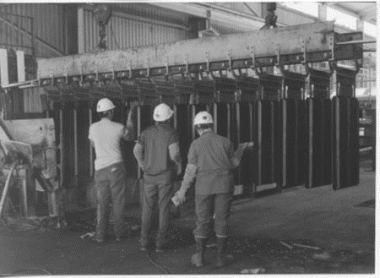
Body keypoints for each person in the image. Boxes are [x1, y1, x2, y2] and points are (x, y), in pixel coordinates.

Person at [174, 111, 253, 267]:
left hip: (204, 187)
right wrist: (241, 149)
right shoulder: (225, 142)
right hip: (224, 186)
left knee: (202, 221)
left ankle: (200, 258)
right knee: (222, 220)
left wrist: (182, 190)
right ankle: (221, 258)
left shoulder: (195, 145)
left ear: (197, 128)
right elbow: (234, 164)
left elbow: (191, 171)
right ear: (211, 125)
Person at [133, 103, 182, 252]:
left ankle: (144, 241)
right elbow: (174, 154)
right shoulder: (171, 133)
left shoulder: (146, 132)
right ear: (168, 118)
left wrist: (143, 165)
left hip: (149, 176)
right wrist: (179, 165)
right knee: (164, 208)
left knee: (147, 208)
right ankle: (161, 243)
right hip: (164, 176)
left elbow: (136, 151)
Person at [88, 98, 136, 243]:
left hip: (100, 169)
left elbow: (93, 145)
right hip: (115, 167)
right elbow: (130, 137)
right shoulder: (118, 127)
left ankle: (100, 235)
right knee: (118, 201)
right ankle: (119, 234)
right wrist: (129, 118)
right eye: (112, 110)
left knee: (102, 203)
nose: (113, 112)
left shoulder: (93, 128)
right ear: (109, 112)